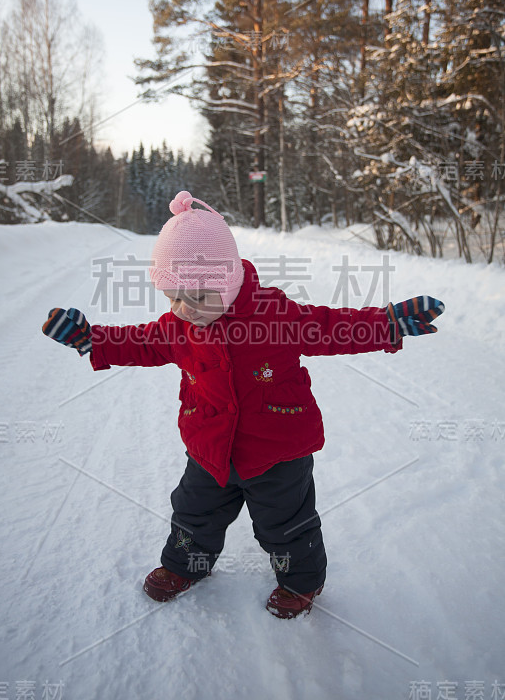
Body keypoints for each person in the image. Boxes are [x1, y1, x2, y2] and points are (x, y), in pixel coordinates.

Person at [42, 190, 445, 619]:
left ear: (228, 281)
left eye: (197, 296)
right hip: (209, 446)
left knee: (286, 525)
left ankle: (300, 582)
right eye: (172, 296)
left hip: (277, 450)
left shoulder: (275, 315)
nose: (184, 309)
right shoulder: (178, 325)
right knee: (193, 515)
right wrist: (94, 339)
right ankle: (185, 566)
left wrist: (384, 324)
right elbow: (137, 341)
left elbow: (332, 328)